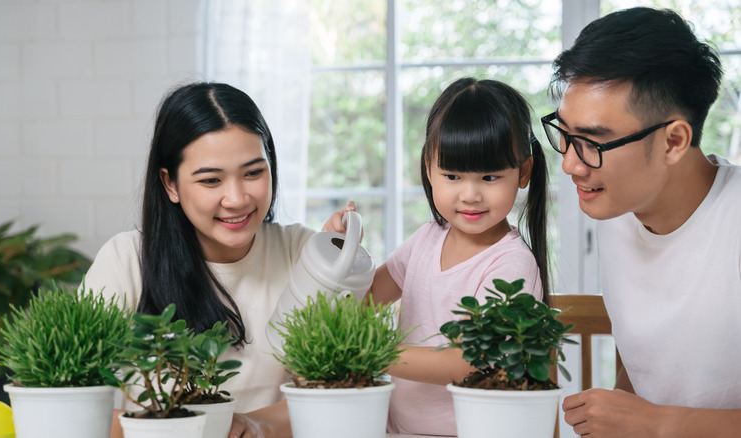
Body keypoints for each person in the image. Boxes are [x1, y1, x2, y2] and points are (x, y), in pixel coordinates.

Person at [83, 82, 354, 438]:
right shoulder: (125, 262)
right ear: (171, 184)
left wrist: (254, 426)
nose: (237, 198)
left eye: (254, 172)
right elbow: (73, 404)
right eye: (211, 180)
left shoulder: (302, 254)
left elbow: (332, 394)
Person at [543, 7, 741, 437]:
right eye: (565, 135)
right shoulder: (617, 209)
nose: (571, 166)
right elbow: (654, 364)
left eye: (593, 142)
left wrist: (660, 424)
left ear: (674, 141)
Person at [365, 77, 551, 436]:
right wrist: (343, 257)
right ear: (429, 168)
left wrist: (378, 353)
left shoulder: (511, 264)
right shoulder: (426, 240)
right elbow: (367, 298)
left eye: (490, 176)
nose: (470, 194)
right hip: (397, 429)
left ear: (523, 172)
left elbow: (468, 361)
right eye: (452, 175)